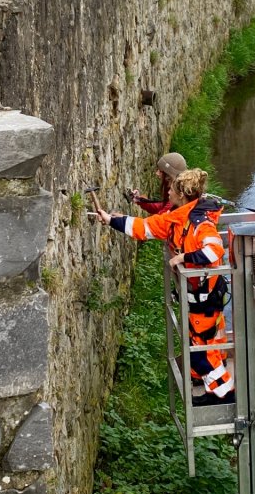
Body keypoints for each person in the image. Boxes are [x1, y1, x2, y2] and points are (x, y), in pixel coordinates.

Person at [94, 168, 234, 406]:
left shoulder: (200, 224)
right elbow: (144, 227)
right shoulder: (177, 219)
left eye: (171, 189)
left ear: (181, 195)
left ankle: (224, 395)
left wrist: (183, 258)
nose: (167, 191)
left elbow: (214, 250)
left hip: (205, 297)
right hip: (197, 296)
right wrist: (110, 220)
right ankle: (208, 386)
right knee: (203, 344)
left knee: (201, 353)